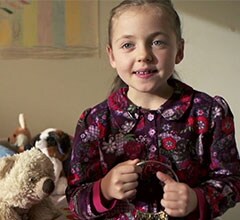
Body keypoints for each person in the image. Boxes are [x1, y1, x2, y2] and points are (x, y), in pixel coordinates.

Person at [66, 0, 240, 219]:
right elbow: (74, 198)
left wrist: (196, 199)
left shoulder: (210, 113)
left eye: (158, 42)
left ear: (179, 50)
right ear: (112, 55)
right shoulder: (95, 122)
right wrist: (104, 189)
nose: (144, 55)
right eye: (128, 45)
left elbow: (231, 181)